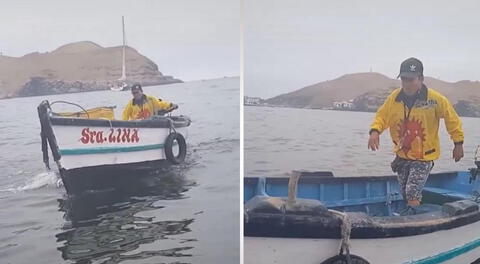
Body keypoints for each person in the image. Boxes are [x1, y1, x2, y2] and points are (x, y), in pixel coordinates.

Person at [368, 57, 464, 214]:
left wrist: (458, 143)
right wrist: (375, 131)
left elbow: (452, 119)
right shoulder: (394, 98)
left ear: (421, 79)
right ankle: (415, 211)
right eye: (403, 79)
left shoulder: (435, 100)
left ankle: (414, 220)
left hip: (423, 157)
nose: (406, 83)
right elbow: (382, 116)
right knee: (405, 193)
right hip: (402, 155)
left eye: (411, 79)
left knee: (412, 191)